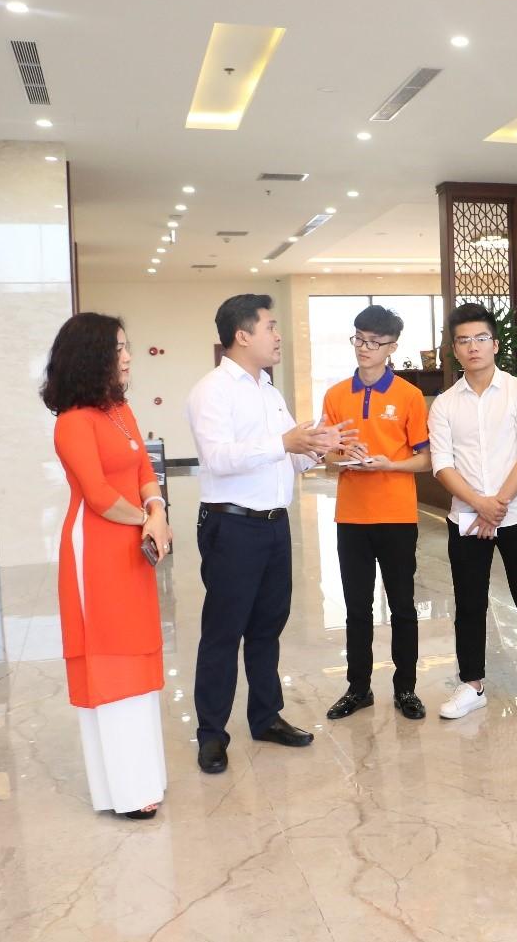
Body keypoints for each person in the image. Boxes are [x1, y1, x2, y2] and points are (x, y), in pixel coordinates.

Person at [186, 294, 350, 774]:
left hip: (275, 525)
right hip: (232, 526)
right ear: (242, 335)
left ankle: (265, 717)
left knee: (267, 628)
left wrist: (319, 447)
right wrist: (284, 442)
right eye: (270, 327)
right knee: (223, 633)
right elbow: (219, 458)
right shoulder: (212, 391)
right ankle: (211, 734)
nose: (278, 336)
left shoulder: (269, 390)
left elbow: (289, 459)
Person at [43, 313, 173, 820]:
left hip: (132, 541)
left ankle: (146, 776)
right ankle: (126, 790)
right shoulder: (72, 422)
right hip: (96, 548)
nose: (127, 357)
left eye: (126, 346)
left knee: (136, 649)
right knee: (110, 654)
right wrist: (147, 519)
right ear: (91, 356)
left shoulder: (119, 409)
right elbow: (98, 496)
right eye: (118, 349)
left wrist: (156, 510)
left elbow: (143, 468)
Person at [428, 302, 517, 720]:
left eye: (480, 338)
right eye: (464, 341)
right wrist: (480, 505)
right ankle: (471, 684)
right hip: (466, 518)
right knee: (469, 602)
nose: (473, 347)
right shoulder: (445, 404)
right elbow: (442, 464)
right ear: (455, 349)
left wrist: (497, 505)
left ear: (495, 344)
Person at [321, 305, 431, 723]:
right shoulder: (335, 395)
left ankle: (406, 688)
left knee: (403, 606)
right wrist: (342, 458)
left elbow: (425, 460)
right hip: (351, 516)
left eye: (374, 342)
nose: (364, 348)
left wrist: (389, 464)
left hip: (397, 515)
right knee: (356, 608)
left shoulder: (408, 396)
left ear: (392, 347)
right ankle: (358, 688)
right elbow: (327, 459)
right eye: (359, 339)